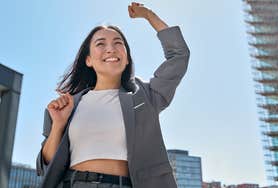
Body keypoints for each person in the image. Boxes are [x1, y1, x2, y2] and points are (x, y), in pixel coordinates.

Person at [35, 2, 190, 188]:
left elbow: (179, 55)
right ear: (88, 60)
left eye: (118, 43)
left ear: (126, 59)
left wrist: (148, 15)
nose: (111, 49)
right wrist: (58, 125)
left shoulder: (145, 97)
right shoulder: (67, 105)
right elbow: (47, 167)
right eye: (101, 44)